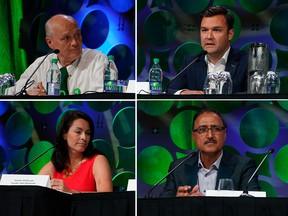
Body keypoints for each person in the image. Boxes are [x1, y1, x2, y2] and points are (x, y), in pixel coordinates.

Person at [160, 108, 260, 197]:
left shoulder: (244, 166)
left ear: (224, 134)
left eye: (216, 129)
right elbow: (163, 206)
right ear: (194, 137)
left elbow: (254, 205)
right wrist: (177, 201)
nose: (210, 135)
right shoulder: (178, 168)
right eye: (202, 130)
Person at [6, 14, 108, 96]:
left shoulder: (97, 60)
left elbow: (102, 97)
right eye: (66, 38)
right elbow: (12, 92)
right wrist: (27, 94)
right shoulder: (41, 64)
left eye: (77, 35)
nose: (75, 43)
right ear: (50, 42)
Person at [167, 6, 248, 95]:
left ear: (230, 34)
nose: (209, 36)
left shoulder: (246, 61)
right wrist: (184, 93)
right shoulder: (191, 62)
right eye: (204, 30)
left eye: (216, 30)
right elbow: (170, 90)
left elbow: (254, 95)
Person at [38, 109, 113, 193]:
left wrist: (70, 192)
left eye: (88, 133)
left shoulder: (98, 160)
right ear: (64, 134)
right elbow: (34, 190)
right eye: (78, 132)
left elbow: (106, 195)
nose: (84, 137)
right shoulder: (54, 165)